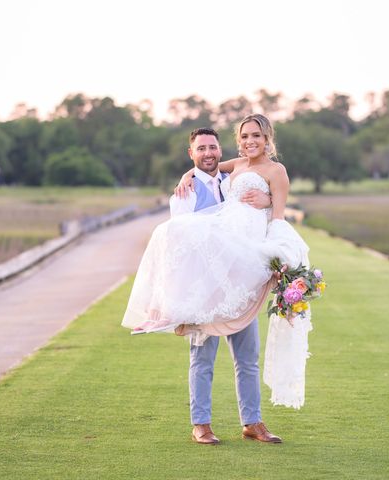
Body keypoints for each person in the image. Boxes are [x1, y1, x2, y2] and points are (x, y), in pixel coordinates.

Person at [122, 114, 311, 444]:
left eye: (256, 135)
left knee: (247, 358)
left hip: (242, 277)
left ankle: (252, 422)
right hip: (206, 286)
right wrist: (186, 173)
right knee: (203, 359)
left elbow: (275, 217)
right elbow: (184, 239)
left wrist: (268, 204)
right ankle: (201, 424)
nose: (250, 141)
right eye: (245, 136)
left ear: (267, 138)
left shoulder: (266, 171)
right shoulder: (204, 183)